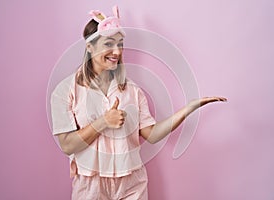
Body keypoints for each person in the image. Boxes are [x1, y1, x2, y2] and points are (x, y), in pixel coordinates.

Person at [50, 5, 227, 200]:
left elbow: (151, 135)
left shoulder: (132, 91)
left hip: (132, 183)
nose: (117, 51)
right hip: (91, 184)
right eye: (109, 44)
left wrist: (189, 108)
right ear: (90, 46)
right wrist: (103, 122)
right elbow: (67, 145)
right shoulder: (65, 91)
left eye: (120, 44)